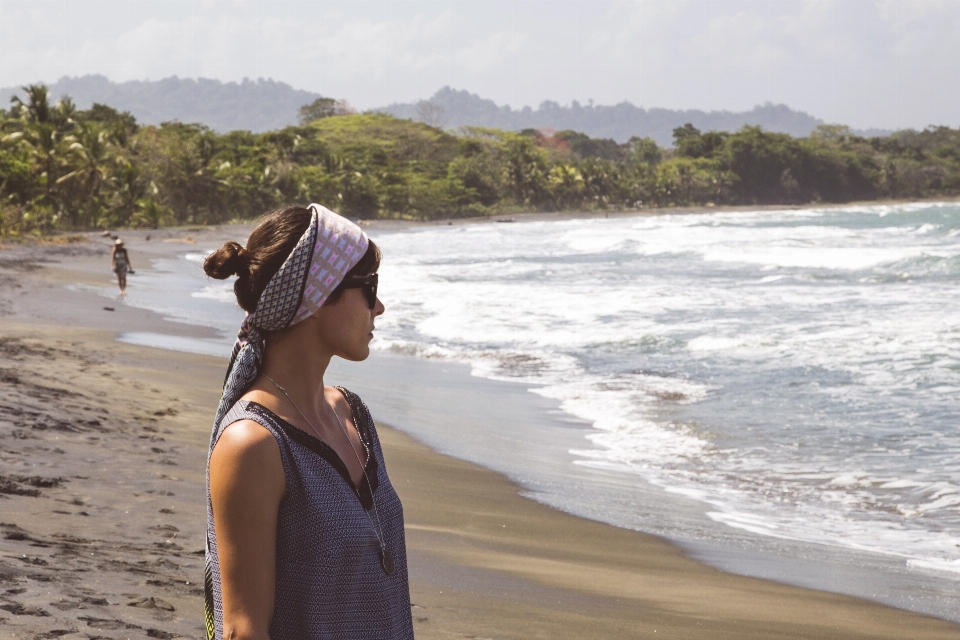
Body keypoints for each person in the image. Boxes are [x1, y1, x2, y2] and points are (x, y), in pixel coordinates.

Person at [201, 204, 413, 640]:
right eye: (368, 287)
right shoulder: (253, 444)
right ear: (319, 295)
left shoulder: (353, 415)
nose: (381, 306)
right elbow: (243, 630)